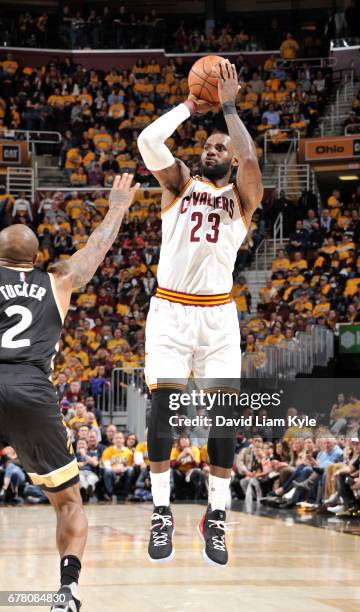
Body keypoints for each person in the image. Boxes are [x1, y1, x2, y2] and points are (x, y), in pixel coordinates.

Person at [138, 59, 263, 566]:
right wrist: (191, 105)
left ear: (230, 160)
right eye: (206, 146)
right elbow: (150, 142)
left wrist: (230, 108)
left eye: (219, 148)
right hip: (170, 310)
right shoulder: (179, 185)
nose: (209, 150)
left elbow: (253, 162)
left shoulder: (244, 198)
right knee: (163, 414)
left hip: (217, 317)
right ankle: (162, 511)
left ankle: (216, 517)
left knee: (223, 422)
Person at [0, 173, 137, 612]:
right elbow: (95, 250)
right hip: (32, 389)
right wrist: (117, 206)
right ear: (38, 257)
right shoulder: (58, 278)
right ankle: (66, 593)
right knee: (67, 501)